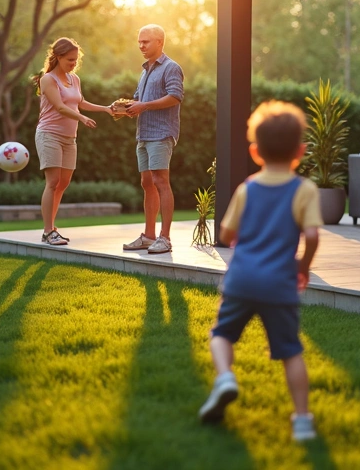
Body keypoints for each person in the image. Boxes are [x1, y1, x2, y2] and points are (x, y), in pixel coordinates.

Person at [198, 101, 322, 442]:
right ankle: (302, 421)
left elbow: (225, 234)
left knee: (222, 334)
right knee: (290, 350)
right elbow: (311, 235)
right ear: (300, 151)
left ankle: (225, 377)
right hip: (279, 283)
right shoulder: (304, 190)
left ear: (255, 152)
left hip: (240, 280)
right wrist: (304, 266)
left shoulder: (247, 188)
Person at [33, 37, 111, 246]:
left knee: (63, 183)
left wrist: (105, 108)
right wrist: (81, 117)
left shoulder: (74, 79)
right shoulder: (48, 79)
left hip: (70, 138)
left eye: (75, 60)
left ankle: (52, 228)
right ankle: (48, 231)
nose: (73, 64)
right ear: (57, 57)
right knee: (52, 182)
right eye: (69, 60)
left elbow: (80, 102)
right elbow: (59, 106)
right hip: (49, 134)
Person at [122, 24, 184, 255]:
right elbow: (139, 99)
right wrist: (123, 107)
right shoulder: (145, 70)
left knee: (160, 181)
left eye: (145, 41)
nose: (141, 45)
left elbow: (175, 96)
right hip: (144, 134)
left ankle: (165, 238)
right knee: (147, 183)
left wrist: (144, 105)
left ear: (159, 42)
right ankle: (149, 236)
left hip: (161, 133)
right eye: (139, 41)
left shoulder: (171, 67)